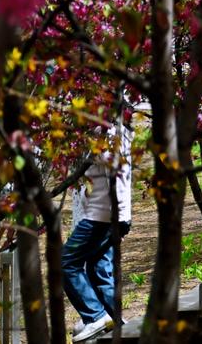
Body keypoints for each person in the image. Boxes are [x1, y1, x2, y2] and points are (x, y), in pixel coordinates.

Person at [64, 118, 133, 342]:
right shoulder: (100, 132)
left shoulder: (109, 133)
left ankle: (95, 315)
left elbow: (116, 170)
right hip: (107, 216)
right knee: (98, 269)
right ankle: (116, 320)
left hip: (102, 218)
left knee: (66, 261)